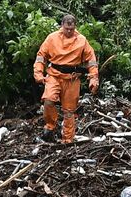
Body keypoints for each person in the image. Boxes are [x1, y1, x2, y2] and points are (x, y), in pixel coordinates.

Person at [33, 14, 99, 144]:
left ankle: (67, 139)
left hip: (72, 79)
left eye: (71, 29)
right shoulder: (52, 38)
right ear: (61, 26)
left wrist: (93, 78)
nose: (69, 31)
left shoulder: (81, 40)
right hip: (54, 75)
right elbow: (41, 56)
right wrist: (38, 74)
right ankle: (50, 127)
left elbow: (91, 61)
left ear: (75, 27)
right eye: (66, 29)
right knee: (48, 100)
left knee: (69, 111)